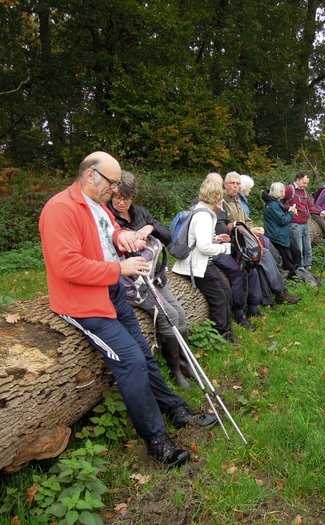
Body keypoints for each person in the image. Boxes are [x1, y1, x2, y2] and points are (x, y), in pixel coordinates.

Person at [39, 151, 216, 469]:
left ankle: (176, 410)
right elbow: (66, 266)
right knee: (132, 362)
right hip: (83, 304)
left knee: (144, 356)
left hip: (111, 294)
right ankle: (157, 441)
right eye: (112, 182)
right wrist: (119, 269)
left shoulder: (99, 206)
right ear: (91, 175)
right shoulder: (59, 210)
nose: (116, 189)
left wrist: (127, 237)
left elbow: (111, 234)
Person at [108, 171, 191, 389]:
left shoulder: (140, 213)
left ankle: (185, 360)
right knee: (169, 315)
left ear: (132, 197)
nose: (121, 202)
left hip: (155, 276)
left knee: (180, 313)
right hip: (133, 283)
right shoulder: (107, 216)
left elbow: (168, 236)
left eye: (126, 198)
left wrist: (150, 227)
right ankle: (174, 368)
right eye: (117, 197)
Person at [172, 177, 237, 342]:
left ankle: (224, 329)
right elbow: (203, 247)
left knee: (224, 289)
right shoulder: (204, 216)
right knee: (220, 297)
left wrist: (215, 239)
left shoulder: (200, 211)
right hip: (195, 267)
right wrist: (224, 248)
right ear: (216, 196)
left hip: (199, 264)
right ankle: (220, 333)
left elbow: (199, 240)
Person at [222, 172, 300, 308]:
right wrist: (249, 231)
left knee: (264, 258)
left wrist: (254, 227)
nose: (235, 186)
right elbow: (227, 227)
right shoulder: (222, 202)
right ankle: (279, 293)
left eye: (237, 183)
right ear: (225, 184)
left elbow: (246, 220)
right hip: (235, 244)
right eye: (232, 183)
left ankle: (269, 298)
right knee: (264, 255)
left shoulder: (237, 201)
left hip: (247, 240)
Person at [283, 172, 320, 270]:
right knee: (298, 247)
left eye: (307, 183)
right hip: (294, 223)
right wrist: (289, 208)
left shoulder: (304, 191)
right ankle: (300, 267)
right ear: (298, 180)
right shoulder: (289, 189)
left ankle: (308, 266)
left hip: (305, 222)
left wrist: (320, 213)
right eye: (304, 183)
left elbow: (310, 206)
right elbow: (281, 203)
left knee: (307, 246)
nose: (305, 185)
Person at [263, 182, 298, 277]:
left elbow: (280, 213)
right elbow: (283, 220)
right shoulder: (273, 204)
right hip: (277, 236)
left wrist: (287, 209)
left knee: (293, 253)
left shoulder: (275, 202)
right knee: (287, 258)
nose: (284, 193)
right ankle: (292, 277)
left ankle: (291, 275)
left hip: (279, 234)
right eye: (283, 191)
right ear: (279, 192)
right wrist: (291, 212)